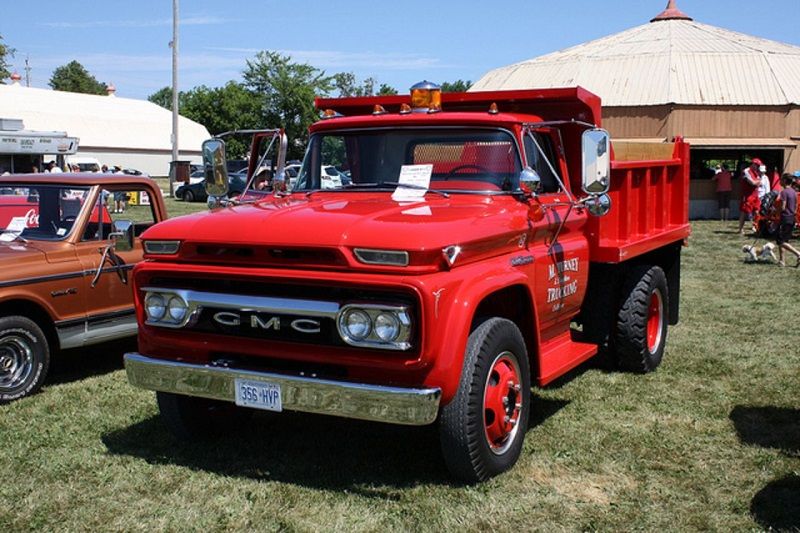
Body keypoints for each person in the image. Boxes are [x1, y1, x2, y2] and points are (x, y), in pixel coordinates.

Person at [775, 173, 800, 267]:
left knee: (780, 241)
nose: (780, 181)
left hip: (785, 218)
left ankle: (798, 253)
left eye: (781, 179)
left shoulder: (784, 192)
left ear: (785, 181)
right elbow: (796, 205)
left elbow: (783, 207)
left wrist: (775, 210)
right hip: (792, 218)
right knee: (785, 240)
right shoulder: (794, 192)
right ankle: (782, 261)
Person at [738, 158, 763, 235]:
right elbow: (752, 183)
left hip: (755, 194)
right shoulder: (746, 171)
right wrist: (757, 182)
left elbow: (760, 183)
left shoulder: (756, 172)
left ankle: (755, 227)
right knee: (744, 212)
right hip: (747, 195)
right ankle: (741, 229)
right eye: (757, 165)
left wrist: (757, 182)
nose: (758, 167)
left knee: (757, 211)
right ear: (753, 164)